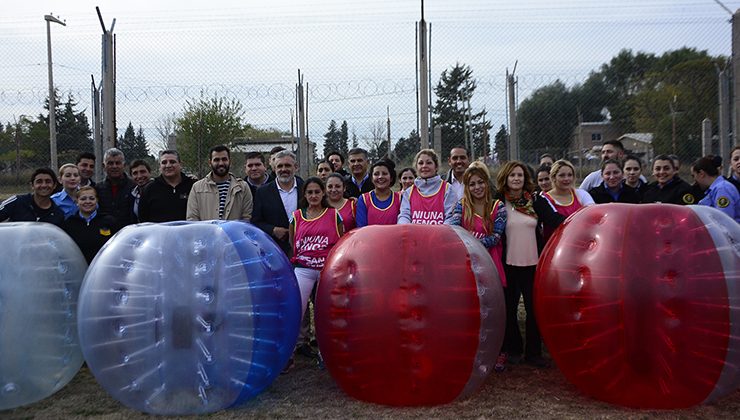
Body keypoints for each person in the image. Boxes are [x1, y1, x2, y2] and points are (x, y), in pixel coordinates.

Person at [447, 162, 508, 371]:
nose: (477, 187)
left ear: (486, 183)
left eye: (480, 182)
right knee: (470, 307)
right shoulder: (461, 206)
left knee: (493, 309)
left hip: (492, 262)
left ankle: (498, 352)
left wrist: (472, 242)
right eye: (472, 184)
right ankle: (470, 350)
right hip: (469, 264)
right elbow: (454, 228)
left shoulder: (497, 206)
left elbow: (496, 236)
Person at [494, 161, 550, 368]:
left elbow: (555, 219)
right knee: (508, 309)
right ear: (505, 179)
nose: (516, 178)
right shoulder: (498, 202)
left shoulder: (534, 201)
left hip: (533, 265)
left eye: (520, 175)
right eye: (512, 175)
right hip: (508, 264)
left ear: (526, 179)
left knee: (533, 309)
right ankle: (513, 349)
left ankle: (533, 353)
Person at [288, 177, 344, 372]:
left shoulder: (333, 214)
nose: (313, 195)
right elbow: (292, 241)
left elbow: (340, 243)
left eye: (317, 192)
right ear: (304, 194)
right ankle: (287, 355)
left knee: (326, 313)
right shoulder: (296, 216)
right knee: (295, 310)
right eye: (309, 192)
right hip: (303, 268)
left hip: (326, 269)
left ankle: (326, 354)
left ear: (323, 194)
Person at [252, 150, 304, 256]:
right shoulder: (263, 192)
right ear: (274, 169)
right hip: (275, 250)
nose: (283, 169)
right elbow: (256, 222)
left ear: (296, 167)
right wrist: (273, 230)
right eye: (280, 166)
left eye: (288, 165)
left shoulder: (305, 188)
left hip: (304, 248)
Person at [186, 145, 253, 221]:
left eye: (224, 159)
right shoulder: (197, 188)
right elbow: (192, 219)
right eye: (216, 160)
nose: (221, 163)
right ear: (210, 162)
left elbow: (247, 218)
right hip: (207, 233)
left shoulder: (242, 187)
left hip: (233, 233)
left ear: (230, 161)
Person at [540, 160, 595, 241]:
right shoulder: (544, 199)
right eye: (562, 175)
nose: (566, 179)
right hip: (555, 245)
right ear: (554, 178)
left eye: (570, 175)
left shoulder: (581, 194)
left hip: (579, 241)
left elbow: (592, 215)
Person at [398, 149, 457, 225]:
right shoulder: (409, 192)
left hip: (440, 235)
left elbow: (451, 218)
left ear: (436, 167)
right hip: (414, 235)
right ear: (416, 167)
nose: (424, 166)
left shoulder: (448, 189)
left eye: (429, 163)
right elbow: (404, 216)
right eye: (420, 163)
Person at [63, 186, 116, 264]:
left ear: (97, 200)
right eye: (83, 199)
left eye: (91, 198)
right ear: (77, 201)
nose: (87, 201)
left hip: (102, 267)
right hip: (78, 267)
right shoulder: (69, 223)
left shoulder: (109, 221)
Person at [140, 150, 196, 222]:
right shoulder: (149, 189)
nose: (168, 165)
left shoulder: (192, 186)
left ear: (180, 164)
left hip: (187, 232)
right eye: (164, 162)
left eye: (172, 162)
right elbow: (143, 218)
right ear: (160, 166)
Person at [95, 148, 136, 232]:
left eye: (118, 163)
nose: (114, 166)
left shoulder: (134, 187)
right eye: (110, 163)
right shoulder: (97, 189)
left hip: (128, 234)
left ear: (124, 166)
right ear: (104, 166)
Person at [692, 155, 740, 222]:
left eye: (693, 175)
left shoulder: (723, 189)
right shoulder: (715, 189)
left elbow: (724, 220)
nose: (694, 180)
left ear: (701, 174)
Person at [356, 159, 401, 227]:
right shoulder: (364, 199)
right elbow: (361, 228)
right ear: (371, 178)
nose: (380, 177)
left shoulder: (400, 198)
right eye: (376, 174)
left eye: (384, 174)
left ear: (391, 178)